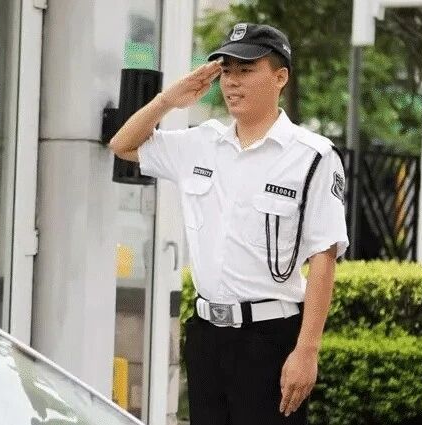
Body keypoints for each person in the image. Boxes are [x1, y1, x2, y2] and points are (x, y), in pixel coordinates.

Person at [109, 22, 349, 425]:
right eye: (226, 71)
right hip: (207, 335)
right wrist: (169, 100)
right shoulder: (201, 143)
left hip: (269, 339)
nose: (232, 82)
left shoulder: (313, 157)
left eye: (246, 70)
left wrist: (307, 350)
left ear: (280, 78)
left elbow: (323, 258)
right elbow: (123, 144)